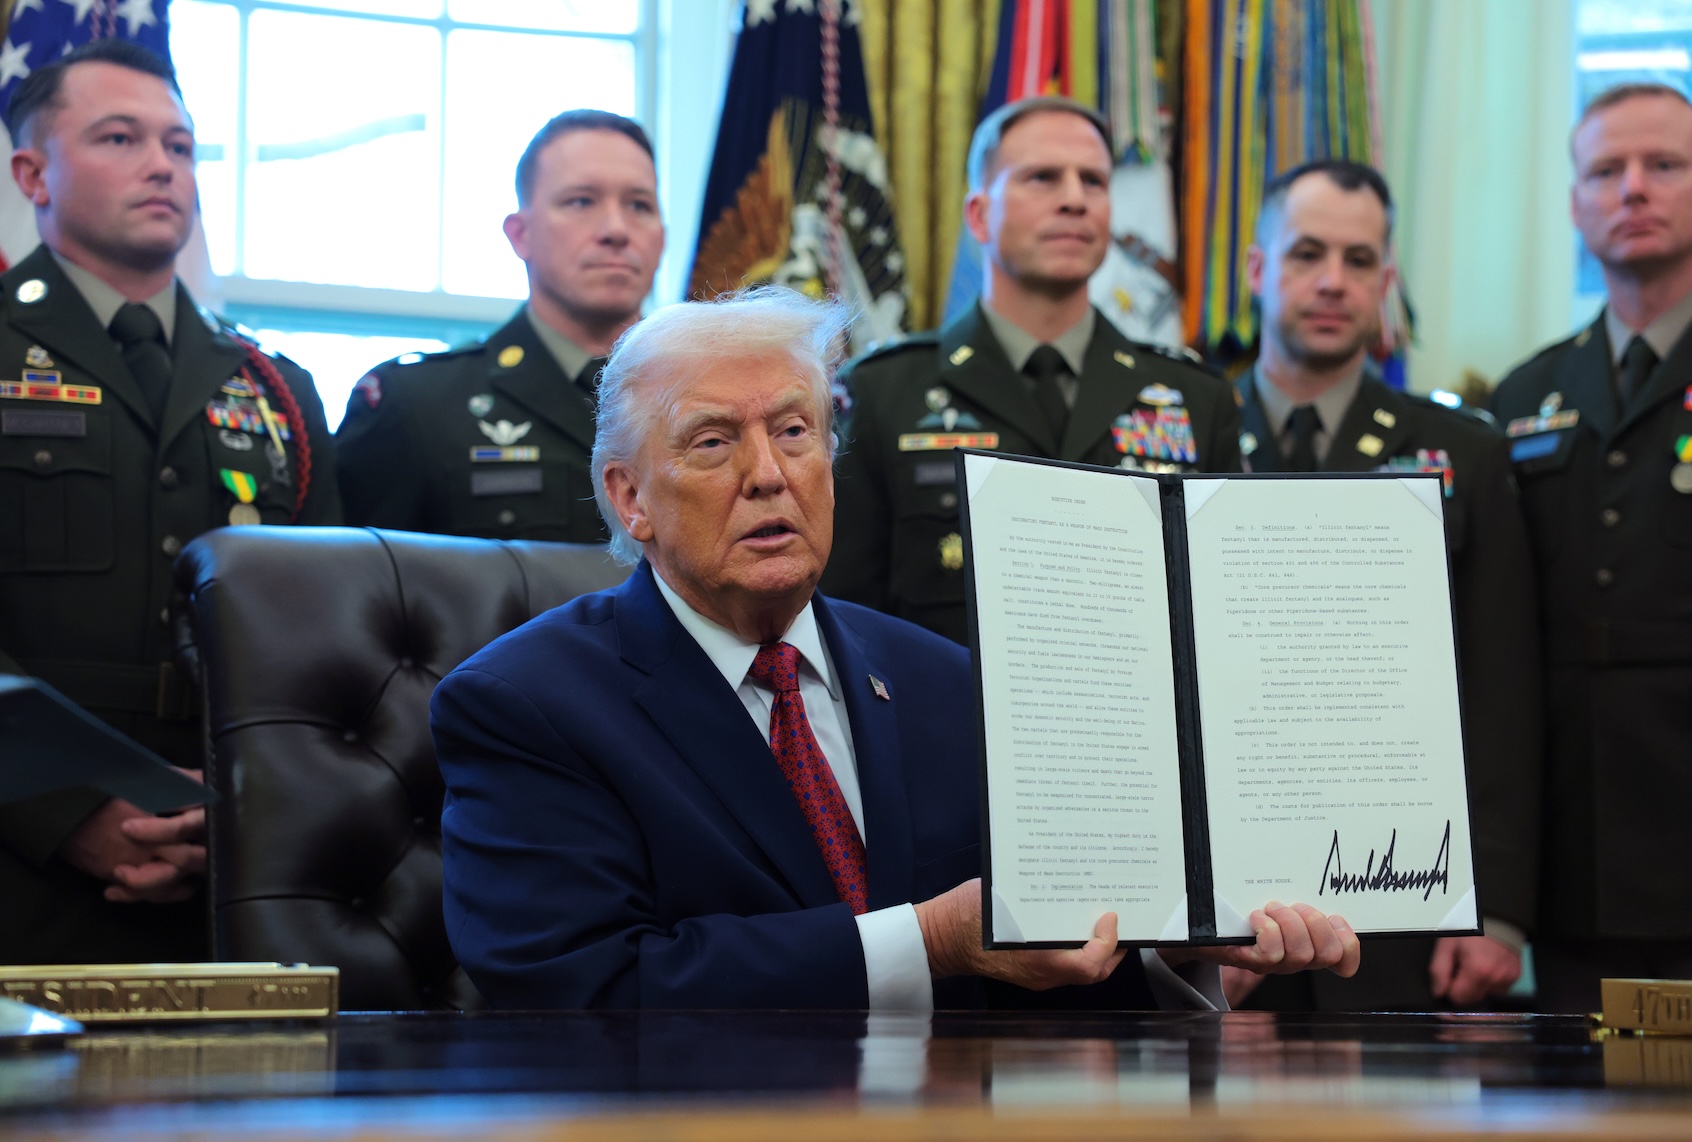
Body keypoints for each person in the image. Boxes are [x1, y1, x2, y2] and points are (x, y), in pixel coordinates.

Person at [431, 287, 1361, 1011]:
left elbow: (1026, 970)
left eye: (795, 431)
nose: (768, 474)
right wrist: (931, 940)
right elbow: (583, 991)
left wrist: (1176, 952)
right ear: (630, 496)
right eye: (713, 442)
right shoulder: (526, 705)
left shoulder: (950, 683)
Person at [0, 40, 339, 963]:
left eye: (181, 147)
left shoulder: (273, 386)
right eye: (120, 138)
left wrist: (243, 813)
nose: (162, 165)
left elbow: (334, 645)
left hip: (243, 865)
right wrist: (63, 810)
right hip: (20, 865)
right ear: (33, 171)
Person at [1226, 160, 1542, 1013]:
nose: (1334, 282)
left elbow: (1504, 687)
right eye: (1307, 254)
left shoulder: (1460, 452)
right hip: (1220, 916)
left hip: (1406, 910)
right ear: (1257, 270)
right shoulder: (1186, 442)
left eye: (1360, 261)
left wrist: (1501, 909)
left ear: (1386, 282)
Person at [823, 97, 1240, 644]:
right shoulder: (885, 393)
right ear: (978, 215)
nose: (1074, 200)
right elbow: (846, 624)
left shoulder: (1193, 397)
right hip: (948, 723)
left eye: (1093, 181)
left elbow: (1219, 620)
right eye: (1043, 178)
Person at [1492, 83, 1692, 1014]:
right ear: (1575, 201)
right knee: (1589, 1104)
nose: (1634, 189)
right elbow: (1498, 652)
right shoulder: (1529, 393)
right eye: (1606, 170)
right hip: (1583, 850)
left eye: (1665, 165)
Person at [336, 110, 664, 543]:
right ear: (520, 234)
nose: (616, 230)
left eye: (639, 205)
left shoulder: (708, 401)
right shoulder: (418, 406)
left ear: (663, 236)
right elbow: (354, 593)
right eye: (581, 201)